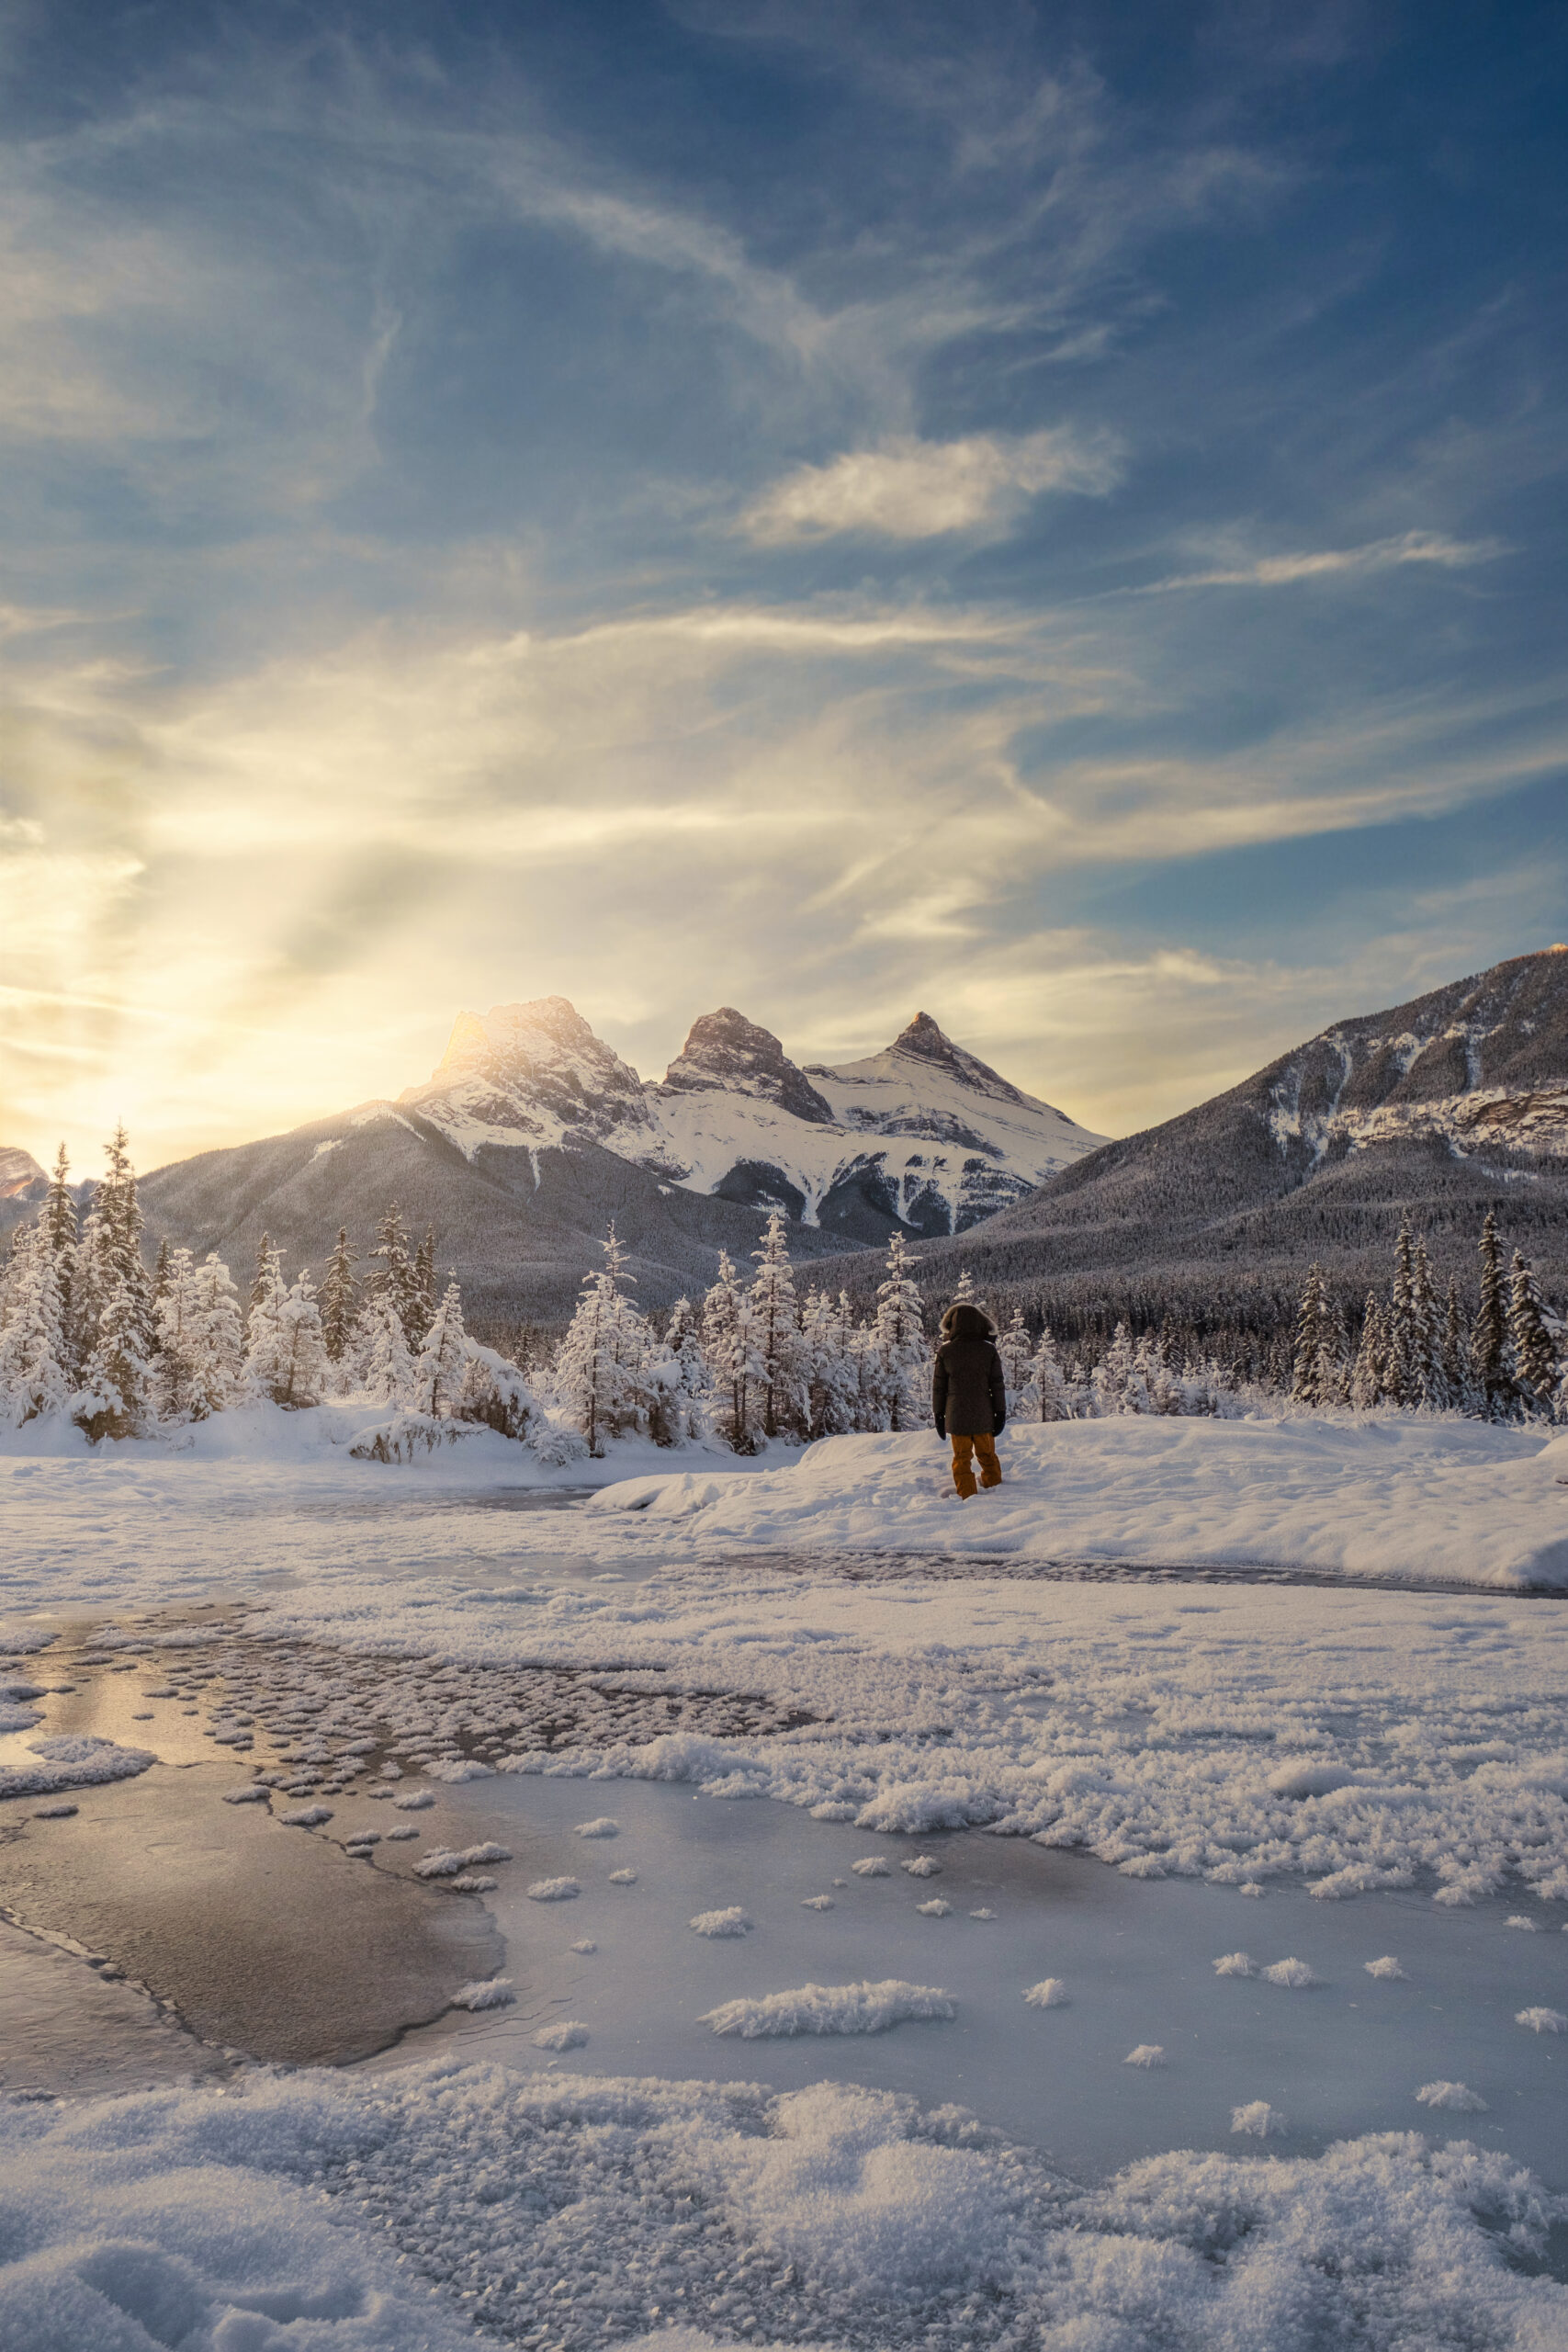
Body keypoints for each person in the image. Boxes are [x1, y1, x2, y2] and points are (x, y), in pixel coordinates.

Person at [931, 1299, 1007, 1498]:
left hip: (957, 1416)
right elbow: (997, 1385)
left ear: (952, 1325)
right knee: (988, 1456)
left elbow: (939, 1388)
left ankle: (967, 1494)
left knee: (961, 1458)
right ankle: (996, 1489)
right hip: (984, 1414)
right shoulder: (988, 1350)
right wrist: (1000, 1412)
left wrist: (939, 1414)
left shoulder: (946, 1351)